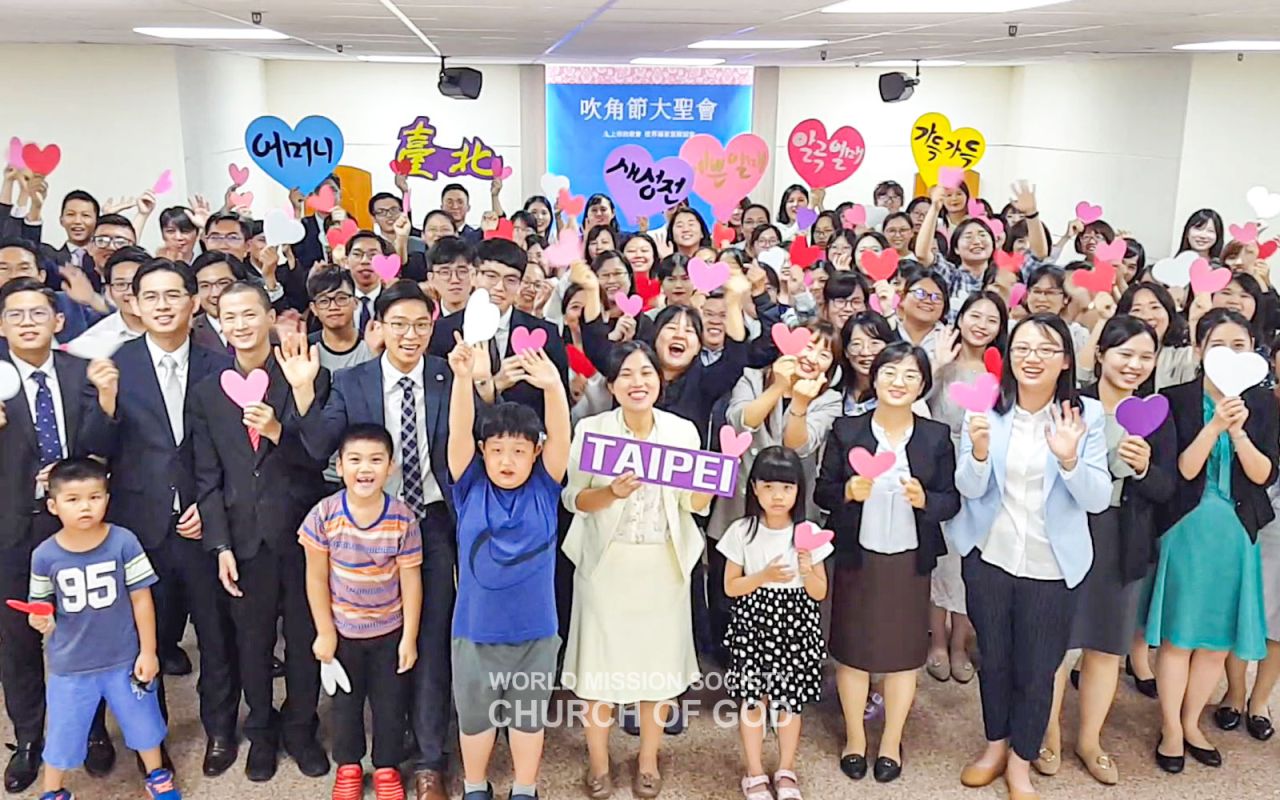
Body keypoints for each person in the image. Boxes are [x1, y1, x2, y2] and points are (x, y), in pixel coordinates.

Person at [80, 258, 243, 776]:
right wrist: (105, 403)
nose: (163, 305)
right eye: (150, 296)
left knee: (216, 636)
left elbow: (231, 450)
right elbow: (91, 451)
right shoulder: (116, 364)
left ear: (195, 301)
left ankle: (220, 730)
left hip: (204, 521)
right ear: (134, 302)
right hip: (138, 525)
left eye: (174, 295)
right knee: (140, 641)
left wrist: (207, 503)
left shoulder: (221, 365)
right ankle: (151, 736)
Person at [296, 280, 456, 800]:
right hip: (367, 523)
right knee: (366, 642)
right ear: (379, 328)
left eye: (422, 324)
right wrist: (304, 391)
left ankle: (429, 757)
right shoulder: (353, 379)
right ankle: (371, 752)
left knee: (428, 639)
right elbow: (321, 445)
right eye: (400, 324)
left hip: (429, 520)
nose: (411, 335)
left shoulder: (446, 376)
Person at [952, 313, 1111, 800]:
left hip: (1052, 564)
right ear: (1008, 356)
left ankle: (1022, 760)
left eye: (1045, 349)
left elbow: (1098, 497)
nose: (1032, 358)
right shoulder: (987, 409)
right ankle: (995, 744)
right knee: (995, 659)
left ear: (1065, 359)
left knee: (1038, 668)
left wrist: (1068, 458)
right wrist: (978, 451)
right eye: (1022, 348)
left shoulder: (1086, 415)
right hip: (990, 557)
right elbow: (968, 488)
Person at [190, 282, 332, 782]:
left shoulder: (303, 374)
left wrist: (278, 428)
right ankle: (263, 734)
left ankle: (301, 728)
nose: (241, 324)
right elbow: (207, 476)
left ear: (269, 315)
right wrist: (220, 543)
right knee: (250, 646)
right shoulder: (207, 390)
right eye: (230, 316)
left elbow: (318, 456)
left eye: (251, 313)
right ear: (219, 323)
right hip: (244, 540)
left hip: (301, 537)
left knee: (304, 640)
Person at [561, 341, 715, 799]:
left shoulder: (682, 432)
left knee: (658, 670)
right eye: (626, 374)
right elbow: (574, 499)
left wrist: (710, 484)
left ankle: (648, 760)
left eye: (646, 373)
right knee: (599, 671)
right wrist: (611, 493)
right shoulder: (592, 431)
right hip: (606, 564)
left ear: (659, 381)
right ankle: (599, 763)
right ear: (611, 385)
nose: (638, 382)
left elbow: (693, 503)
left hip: (662, 564)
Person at [1039, 315, 1177, 785]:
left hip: (1124, 539)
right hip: (1070, 531)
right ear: (1099, 354)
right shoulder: (1073, 405)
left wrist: (1143, 471)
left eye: (1145, 356)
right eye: (1124, 354)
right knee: (1059, 643)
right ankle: (1048, 731)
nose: (1134, 365)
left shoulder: (1156, 413)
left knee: (1105, 647)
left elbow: (1168, 488)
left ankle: (1091, 739)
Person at [816, 342, 961, 784]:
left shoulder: (935, 436)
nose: (899, 383)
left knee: (903, 655)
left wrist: (926, 500)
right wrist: (846, 493)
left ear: (923, 385)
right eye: (890, 373)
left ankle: (892, 740)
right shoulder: (847, 429)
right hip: (858, 558)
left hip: (908, 560)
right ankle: (856, 738)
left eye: (910, 376)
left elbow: (951, 500)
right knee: (853, 651)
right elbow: (822, 492)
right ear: (874, 378)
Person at [1147, 309, 1276, 774]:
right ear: (1200, 350)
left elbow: (1263, 475)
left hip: (1238, 533)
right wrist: (1215, 425)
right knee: (1179, 638)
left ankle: (1192, 720)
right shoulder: (1175, 398)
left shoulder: (1262, 405)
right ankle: (1170, 728)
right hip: (1189, 528)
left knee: (1217, 643)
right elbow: (1182, 469)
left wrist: (1239, 431)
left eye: (1240, 345)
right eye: (1218, 344)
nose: (1230, 353)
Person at [0, 277, 115, 792]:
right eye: (16, 314)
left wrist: (108, 402)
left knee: (85, 633)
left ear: (59, 321)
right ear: (2, 325)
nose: (28, 322)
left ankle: (92, 731)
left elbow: (104, 442)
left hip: (77, 525)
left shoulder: (79, 373)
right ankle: (29, 739)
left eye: (38, 313)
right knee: (17, 641)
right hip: (12, 526)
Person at [445, 334, 570, 800]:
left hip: (535, 633)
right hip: (475, 632)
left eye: (518, 450)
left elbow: (561, 437)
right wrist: (462, 381)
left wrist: (554, 387)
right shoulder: (469, 487)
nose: (507, 459)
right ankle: (475, 787)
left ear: (536, 452)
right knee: (475, 719)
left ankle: (524, 788)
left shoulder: (545, 489)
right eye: (497, 449)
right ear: (483, 452)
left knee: (528, 718)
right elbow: (459, 433)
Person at [27, 458, 180, 800]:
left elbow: (142, 600)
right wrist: (41, 620)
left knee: (145, 726)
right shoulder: (44, 556)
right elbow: (40, 606)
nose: (85, 507)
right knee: (63, 734)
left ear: (107, 499)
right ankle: (53, 790)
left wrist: (149, 651)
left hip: (125, 660)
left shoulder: (124, 542)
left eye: (94, 497)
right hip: (70, 667)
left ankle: (157, 775)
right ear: (53, 505)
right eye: (73, 499)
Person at [300, 424, 423, 800]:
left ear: (392, 468)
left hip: (389, 633)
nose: (364, 468)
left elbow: (411, 581)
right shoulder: (324, 515)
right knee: (346, 707)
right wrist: (324, 632)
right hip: (343, 633)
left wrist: (409, 638)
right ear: (339, 466)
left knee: (390, 706)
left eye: (375, 460)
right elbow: (316, 578)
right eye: (354, 460)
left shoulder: (403, 518)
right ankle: (349, 766)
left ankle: (386, 766)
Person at [719, 447, 831, 800]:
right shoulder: (742, 531)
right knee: (754, 701)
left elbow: (819, 592)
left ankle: (786, 769)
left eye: (786, 487)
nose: (777, 496)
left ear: (799, 490)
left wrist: (807, 566)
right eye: (768, 487)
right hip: (754, 623)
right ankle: (754, 771)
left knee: (789, 702)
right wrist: (763, 575)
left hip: (796, 624)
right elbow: (730, 586)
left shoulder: (808, 532)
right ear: (754, 489)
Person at [925, 291, 1009, 683]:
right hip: (940, 466)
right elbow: (917, 404)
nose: (981, 324)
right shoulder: (941, 359)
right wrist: (937, 366)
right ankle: (937, 642)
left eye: (991, 319)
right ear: (960, 318)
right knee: (942, 558)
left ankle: (961, 643)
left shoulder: (1002, 368)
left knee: (969, 559)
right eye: (975, 315)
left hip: (983, 469)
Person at [429, 238, 568, 416]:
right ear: (473, 276)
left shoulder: (544, 333)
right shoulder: (443, 332)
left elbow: (559, 401)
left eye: (510, 280)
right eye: (491, 276)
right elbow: (437, 404)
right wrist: (494, 384)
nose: (499, 287)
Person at [64, 246, 149, 359]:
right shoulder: (89, 345)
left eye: (137, 283)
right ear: (109, 291)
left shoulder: (177, 327)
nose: (130, 291)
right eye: (120, 284)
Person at [307, 267, 374, 372]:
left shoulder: (371, 345)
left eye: (341, 298)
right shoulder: (306, 348)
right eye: (324, 301)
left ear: (356, 303)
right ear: (314, 308)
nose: (333, 307)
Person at [428, 235, 475, 317]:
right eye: (445, 272)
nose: (455, 280)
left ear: (474, 275)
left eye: (462, 271)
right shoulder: (425, 317)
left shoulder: (489, 315)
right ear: (431, 278)